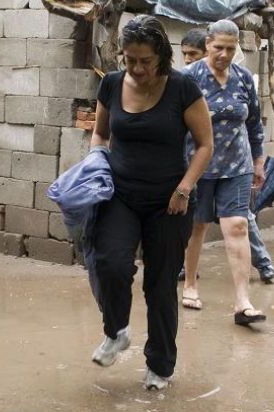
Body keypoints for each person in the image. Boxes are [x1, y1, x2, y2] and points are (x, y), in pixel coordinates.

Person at [87, 15, 213, 391]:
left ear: (161, 56)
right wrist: (96, 165)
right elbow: (100, 134)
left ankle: (160, 366)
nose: (137, 69)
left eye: (146, 61)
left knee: (160, 285)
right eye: (130, 60)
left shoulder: (182, 88)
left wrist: (184, 188)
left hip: (169, 202)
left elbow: (205, 145)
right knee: (110, 263)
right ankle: (116, 332)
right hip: (120, 195)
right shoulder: (111, 84)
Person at [182, 20, 267, 326]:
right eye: (218, 47)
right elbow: (172, 121)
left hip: (237, 165)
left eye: (230, 49)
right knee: (197, 226)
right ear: (207, 44)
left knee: (238, 226)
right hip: (198, 165)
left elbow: (254, 122)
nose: (224, 54)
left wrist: (258, 161)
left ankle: (243, 302)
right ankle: (190, 284)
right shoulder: (189, 78)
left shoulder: (243, 78)